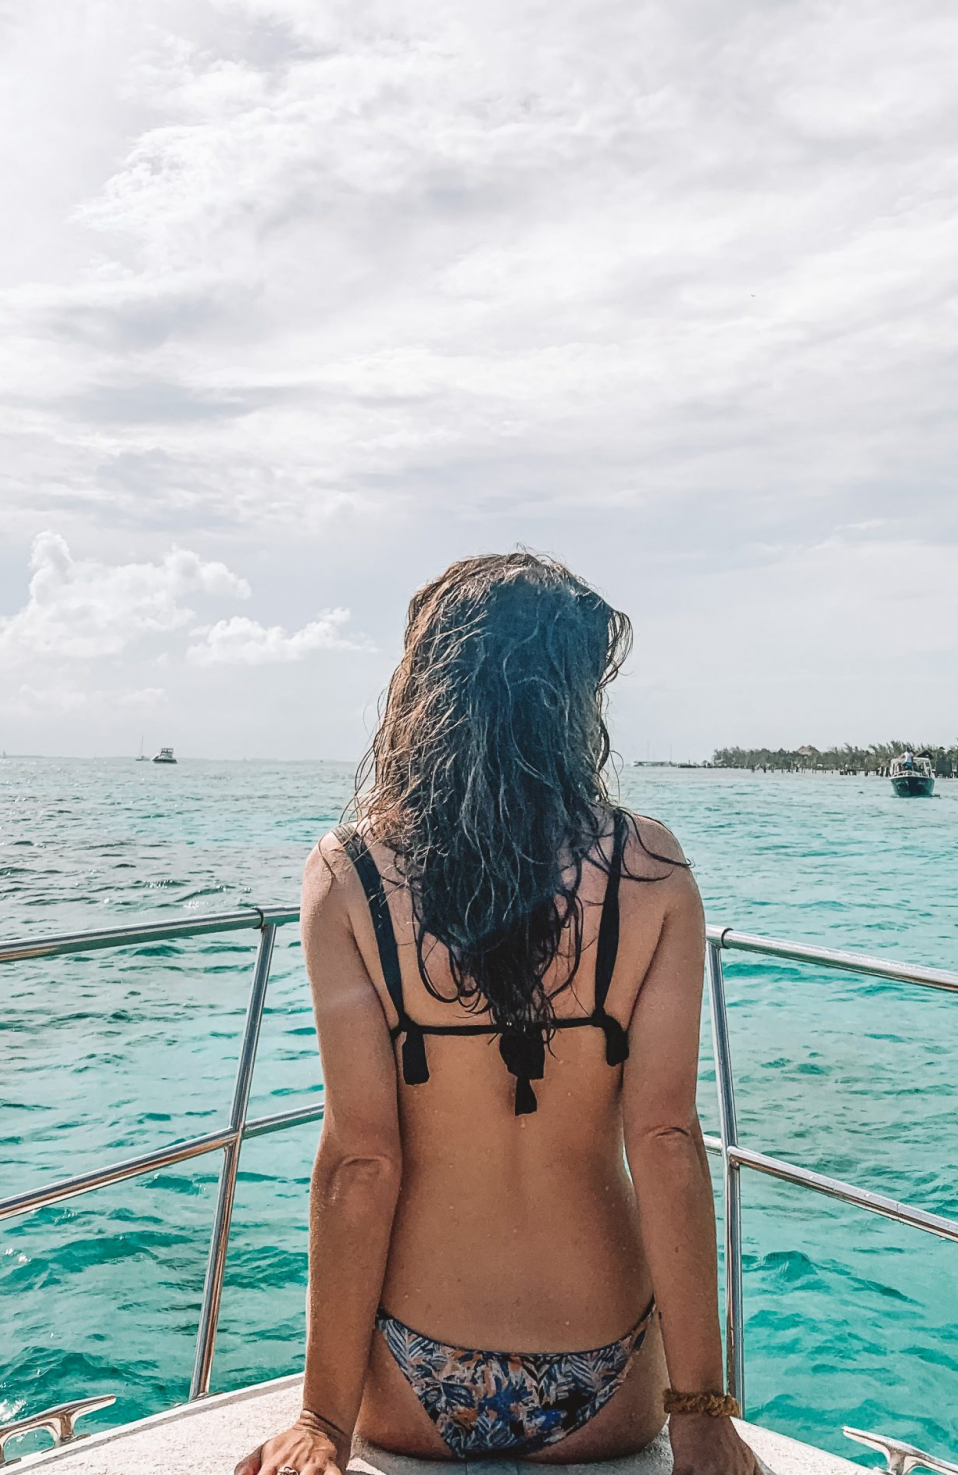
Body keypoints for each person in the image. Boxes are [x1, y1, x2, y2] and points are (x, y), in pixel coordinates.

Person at [237, 553, 764, 1475]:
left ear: (424, 688)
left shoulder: (351, 872)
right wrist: (703, 1415)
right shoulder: (653, 870)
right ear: (569, 699)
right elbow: (669, 1141)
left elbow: (362, 1160)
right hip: (608, 1377)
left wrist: (321, 1419)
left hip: (412, 1379)